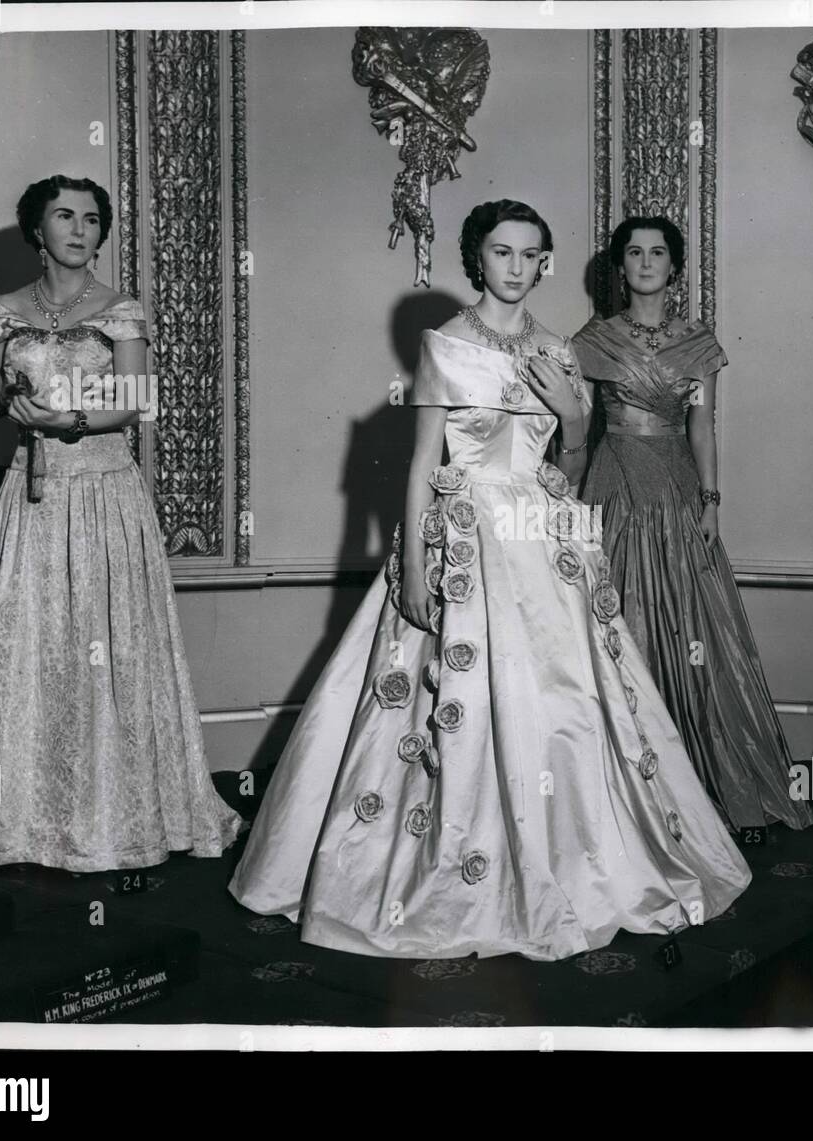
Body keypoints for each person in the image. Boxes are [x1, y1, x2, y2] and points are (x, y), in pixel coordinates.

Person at [228, 199, 750, 960]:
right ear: (479, 259)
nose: (516, 266)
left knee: (569, 704)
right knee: (447, 708)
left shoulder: (558, 349)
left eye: (530, 253)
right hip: (463, 536)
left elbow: (566, 470)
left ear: (544, 262)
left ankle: (569, 866)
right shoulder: (442, 345)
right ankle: (448, 878)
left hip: (540, 534)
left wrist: (574, 419)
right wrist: (411, 567)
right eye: (502, 252)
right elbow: (421, 468)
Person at [0, 174, 242, 872]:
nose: (80, 229)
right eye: (64, 216)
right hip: (31, 499)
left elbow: (139, 402)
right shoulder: (3, 311)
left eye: (90, 218)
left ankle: (117, 820)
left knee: (107, 649)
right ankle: (31, 824)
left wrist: (70, 419)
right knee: (35, 650)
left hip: (106, 495)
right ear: (37, 230)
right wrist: (8, 407)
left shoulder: (120, 308)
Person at [571, 217, 813, 833]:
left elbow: (702, 426)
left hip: (678, 482)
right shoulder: (593, 339)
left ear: (674, 266)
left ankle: (708, 785)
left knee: (693, 628)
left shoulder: (698, 343)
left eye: (657, 253)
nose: (646, 262)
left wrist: (711, 500)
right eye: (634, 252)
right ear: (620, 266)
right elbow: (572, 428)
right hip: (614, 482)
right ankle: (624, 795)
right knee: (617, 618)